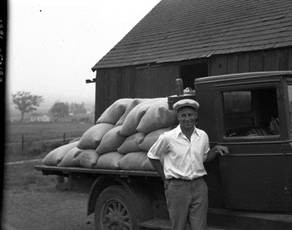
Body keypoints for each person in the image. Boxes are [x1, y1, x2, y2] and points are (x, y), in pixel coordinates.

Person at [147, 98, 229, 230]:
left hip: (199, 186)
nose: (187, 119)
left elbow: (203, 158)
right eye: (183, 115)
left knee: (199, 227)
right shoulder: (168, 137)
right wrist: (164, 178)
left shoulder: (202, 136)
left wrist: (215, 150)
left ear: (196, 116)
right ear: (178, 117)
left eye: (190, 115)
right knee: (179, 226)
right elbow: (152, 156)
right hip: (177, 187)